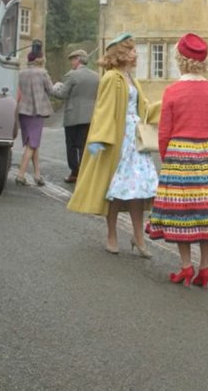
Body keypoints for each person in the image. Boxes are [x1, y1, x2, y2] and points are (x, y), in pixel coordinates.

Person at [149, 33, 208, 287]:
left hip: (178, 155)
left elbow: (164, 132)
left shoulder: (172, 92)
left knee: (183, 213)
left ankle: (185, 266)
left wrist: (167, 158)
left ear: (180, 59)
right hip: (207, 154)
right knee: (207, 212)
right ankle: (205, 267)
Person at [67, 33, 158, 258]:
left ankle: (138, 238)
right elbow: (103, 111)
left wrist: (167, 107)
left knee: (138, 190)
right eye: (132, 49)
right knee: (115, 190)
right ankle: (111, 235)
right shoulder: (111, 78)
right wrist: (100, 139)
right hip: (118, 139)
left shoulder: (130, 78)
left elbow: (143, 108)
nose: (136, 53)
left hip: (135, 141)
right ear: (121, 54)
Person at [51, 49, 99, 184]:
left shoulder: (72, 75)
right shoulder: (96, 76)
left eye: (72, 59)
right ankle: (85, 173)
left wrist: (55, 88)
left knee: (71, 146)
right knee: (84, 145)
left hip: (73, 116)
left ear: (78, 59)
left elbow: (62, 95)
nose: (71, 62)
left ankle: (74, 173)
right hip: (90, 115)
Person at [15, 47, 53, 186]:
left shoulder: (21, 73)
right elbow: (51, 90)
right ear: (41, 59)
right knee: (32, 145)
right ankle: (20, 175)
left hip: (23, 111)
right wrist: (59, 85)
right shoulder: (43, 73)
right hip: (37, 112)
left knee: (32, 143)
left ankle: (37, 175)